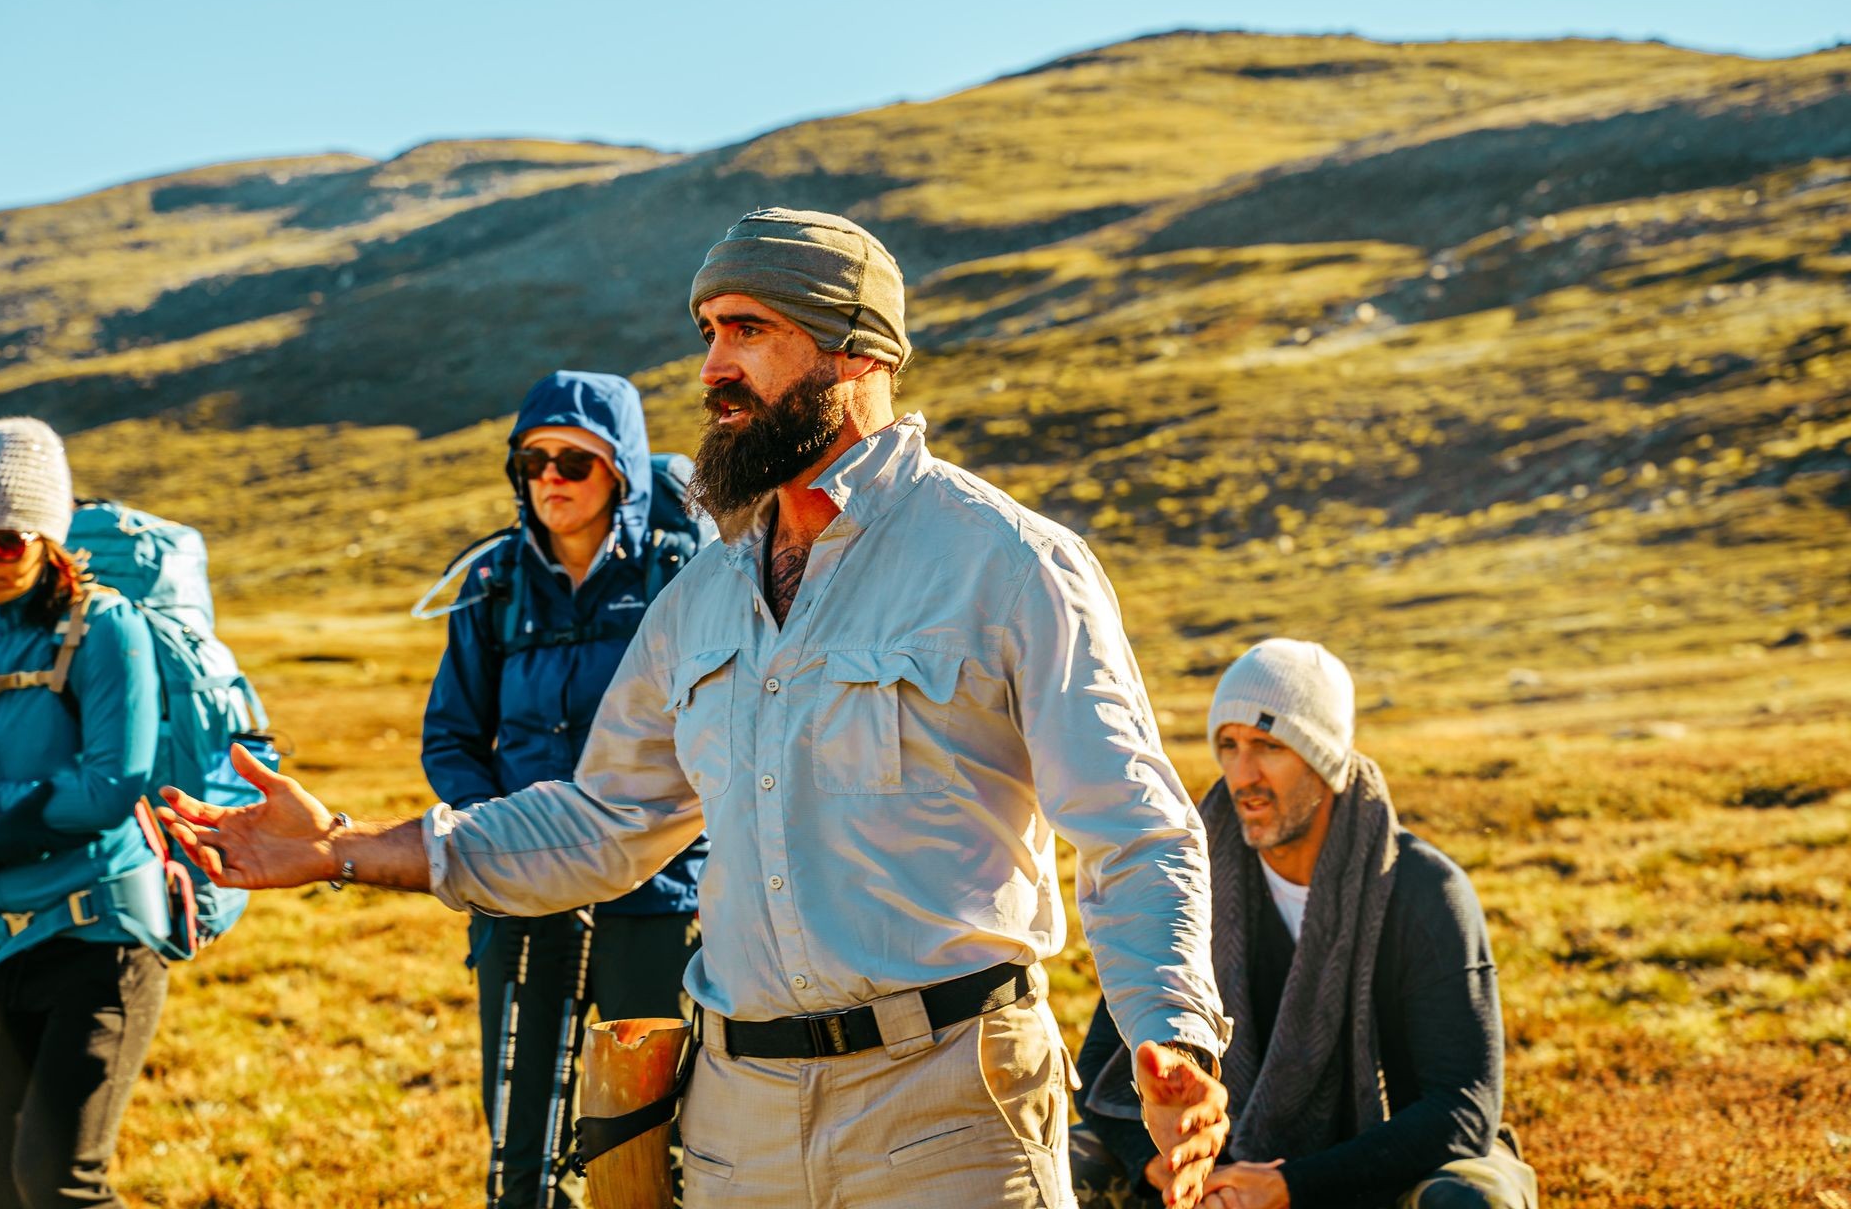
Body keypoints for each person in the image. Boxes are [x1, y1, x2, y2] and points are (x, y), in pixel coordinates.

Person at [160, 208, 1234, 1209]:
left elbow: (1134, 827)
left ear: (856, 349)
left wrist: (1171, 1031)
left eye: (750, 330)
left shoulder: (1006, 561)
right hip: (736, 1122)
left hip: (949, 1116)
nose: (714, 367)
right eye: (709, 332)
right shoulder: (703, 595)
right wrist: (347, 848)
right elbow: (602, 820)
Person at [1072, 639, 1540, 1209]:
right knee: (1064, 1165)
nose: (1243, 776)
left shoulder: (1423, 890)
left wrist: (1292, 1186)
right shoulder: (1190, 884)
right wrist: (1168, 1169)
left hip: (1381, 1163)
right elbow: (1100, 1068)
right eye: (1229, 745)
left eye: (1269, 746)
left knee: (1468, 1198)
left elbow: (1462, 1106)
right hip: (1221, 1166)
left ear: (1324, 761)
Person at [421, 370, 707, 1209]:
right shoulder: (493, 587)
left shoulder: (679, 578)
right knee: (521, 1143)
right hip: (523, 891)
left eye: (574, 463)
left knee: (651, 1139)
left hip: (656, 896)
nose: (551, 477)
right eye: (534, 460)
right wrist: (501, 834)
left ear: (620, 473)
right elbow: (452, 736)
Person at [0, 418, 165, 1209]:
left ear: (49, 539)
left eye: (5, 541)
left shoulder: (105, 628)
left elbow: (109, 791)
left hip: (95, 940)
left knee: (58, 1183)